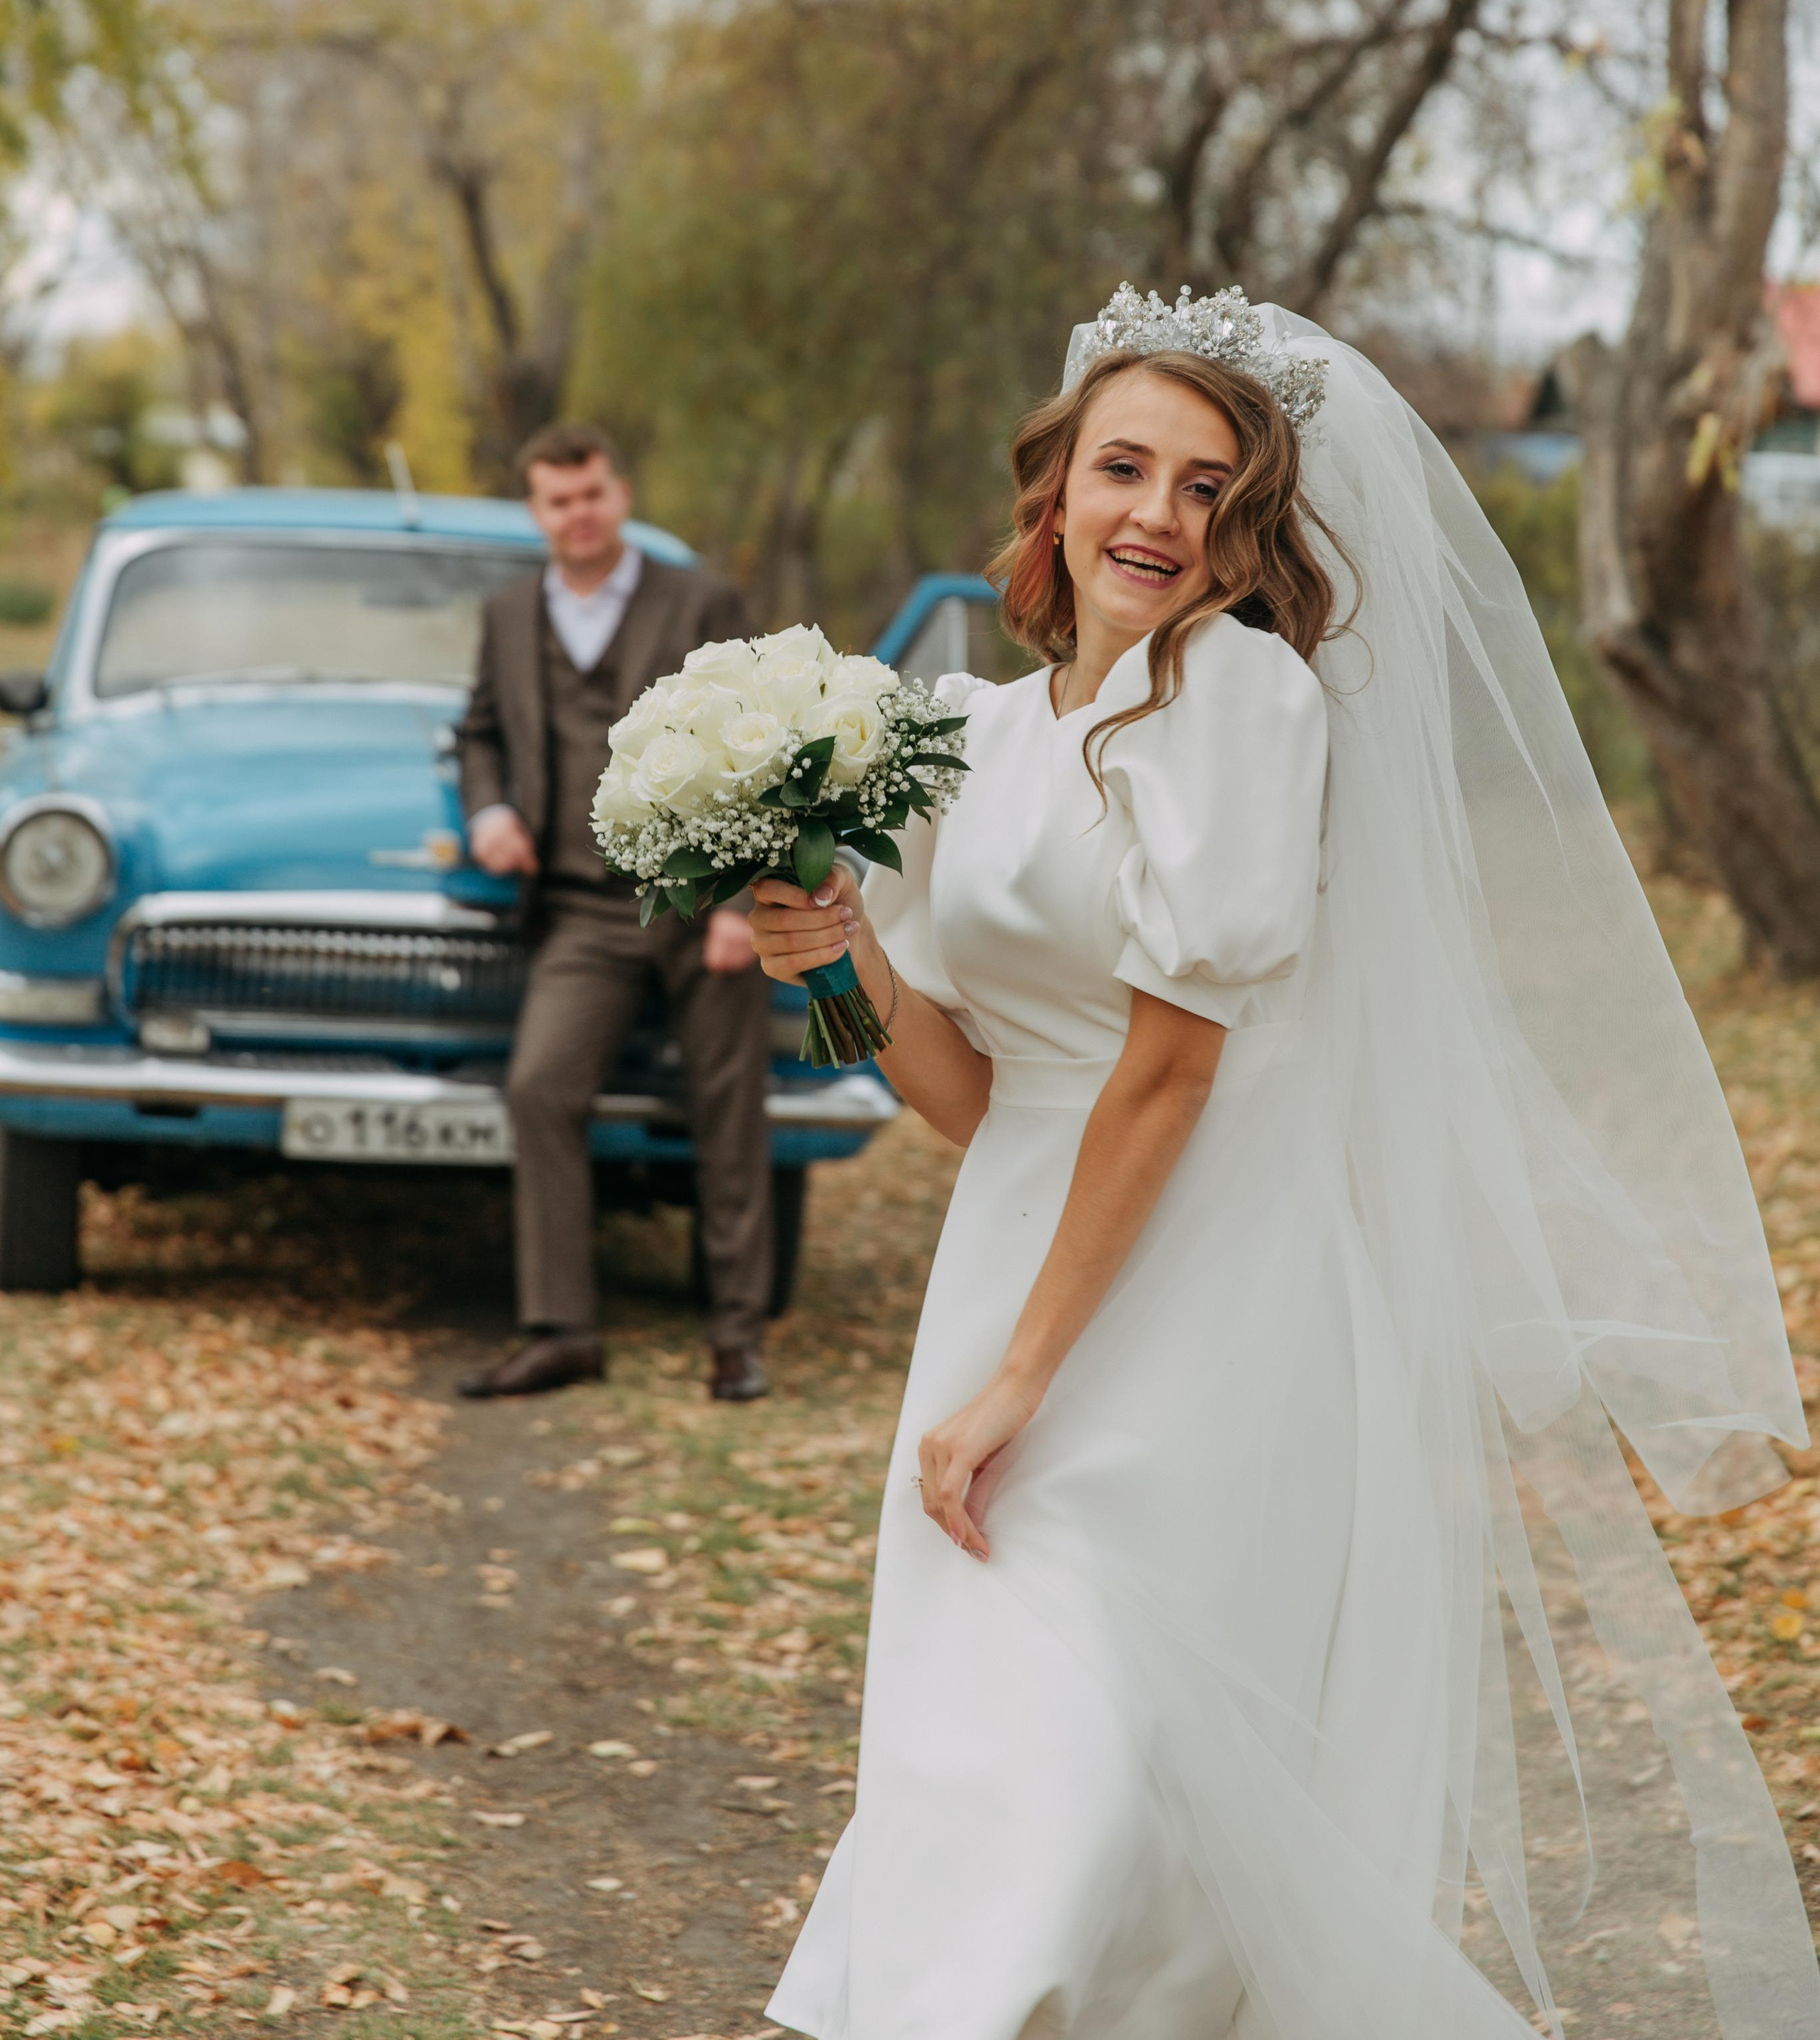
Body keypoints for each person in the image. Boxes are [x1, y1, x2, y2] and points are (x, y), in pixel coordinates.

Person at [750, 286, 1819, 2040]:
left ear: (1244, 530)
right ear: (1053, 490)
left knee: (1103, 1768)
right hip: (1017, 1249)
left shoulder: (1239, 703)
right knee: (989, 1742)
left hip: (1199, 1288)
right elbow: (967, 1093)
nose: (1156, 516)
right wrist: (836, 953)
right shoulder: (967, 735)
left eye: (1205, 488)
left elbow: (1167, 1074)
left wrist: (1024, 1377)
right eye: (1123, 469)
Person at [456, 421, 773, 1404]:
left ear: (620, 495)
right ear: (537, 512)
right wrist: (489, 810)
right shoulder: (509, 614)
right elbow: (478, 731)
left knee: (727, 1114)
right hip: (584, 908)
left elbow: (761, 738)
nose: (579, 514)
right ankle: (563, 1331)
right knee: (540, 1089)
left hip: (703, 899)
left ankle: (737, 1338)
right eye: (559, 501)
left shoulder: (701, 600)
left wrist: (743, 901)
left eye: (592, 494)